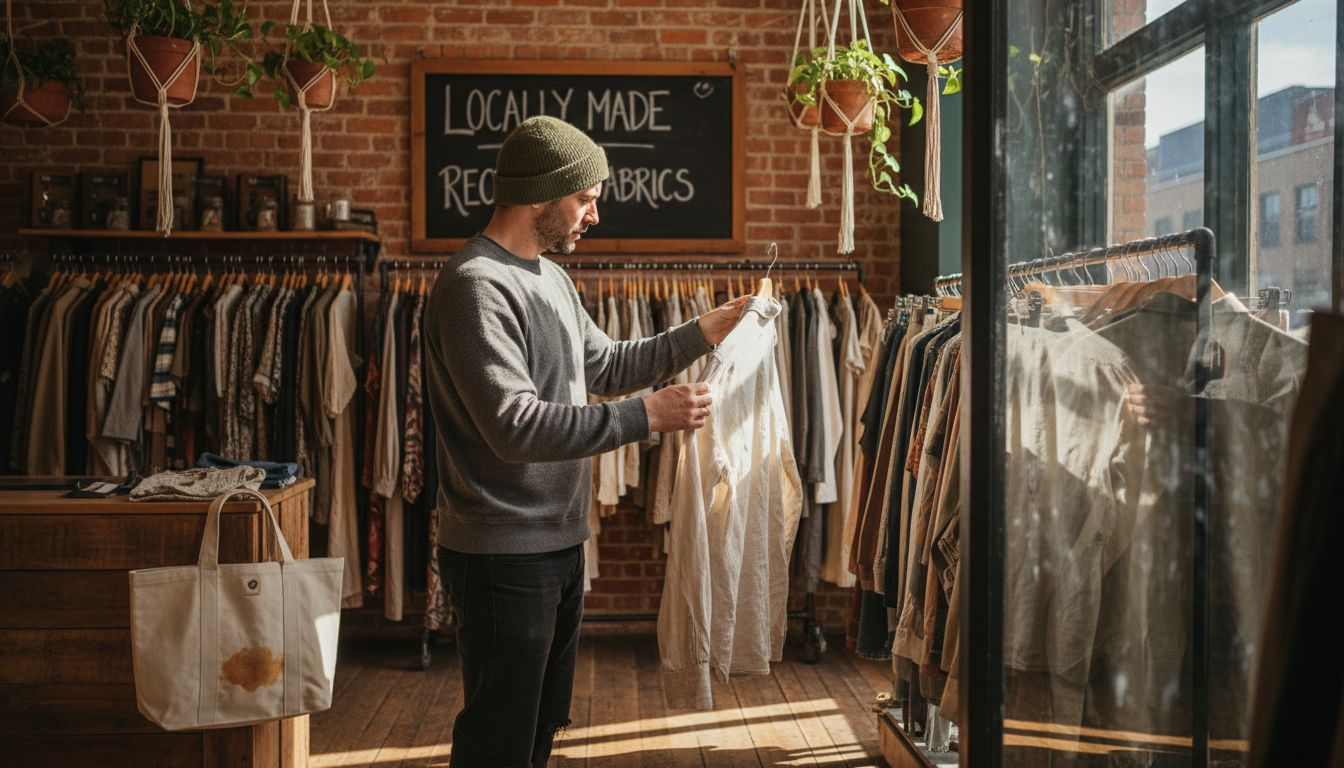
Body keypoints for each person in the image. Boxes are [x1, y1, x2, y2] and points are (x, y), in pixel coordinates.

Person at [423, 115, 749, 768]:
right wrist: (645, 417)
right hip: (502, 556)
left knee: (539, 726)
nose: (594, 215)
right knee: (498, 738)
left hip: (558, 545)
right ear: (542, 194)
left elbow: (606, 366)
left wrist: (700, 332)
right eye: (587, 197)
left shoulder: (550, 278)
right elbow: (514, 426)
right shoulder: (474, 287)